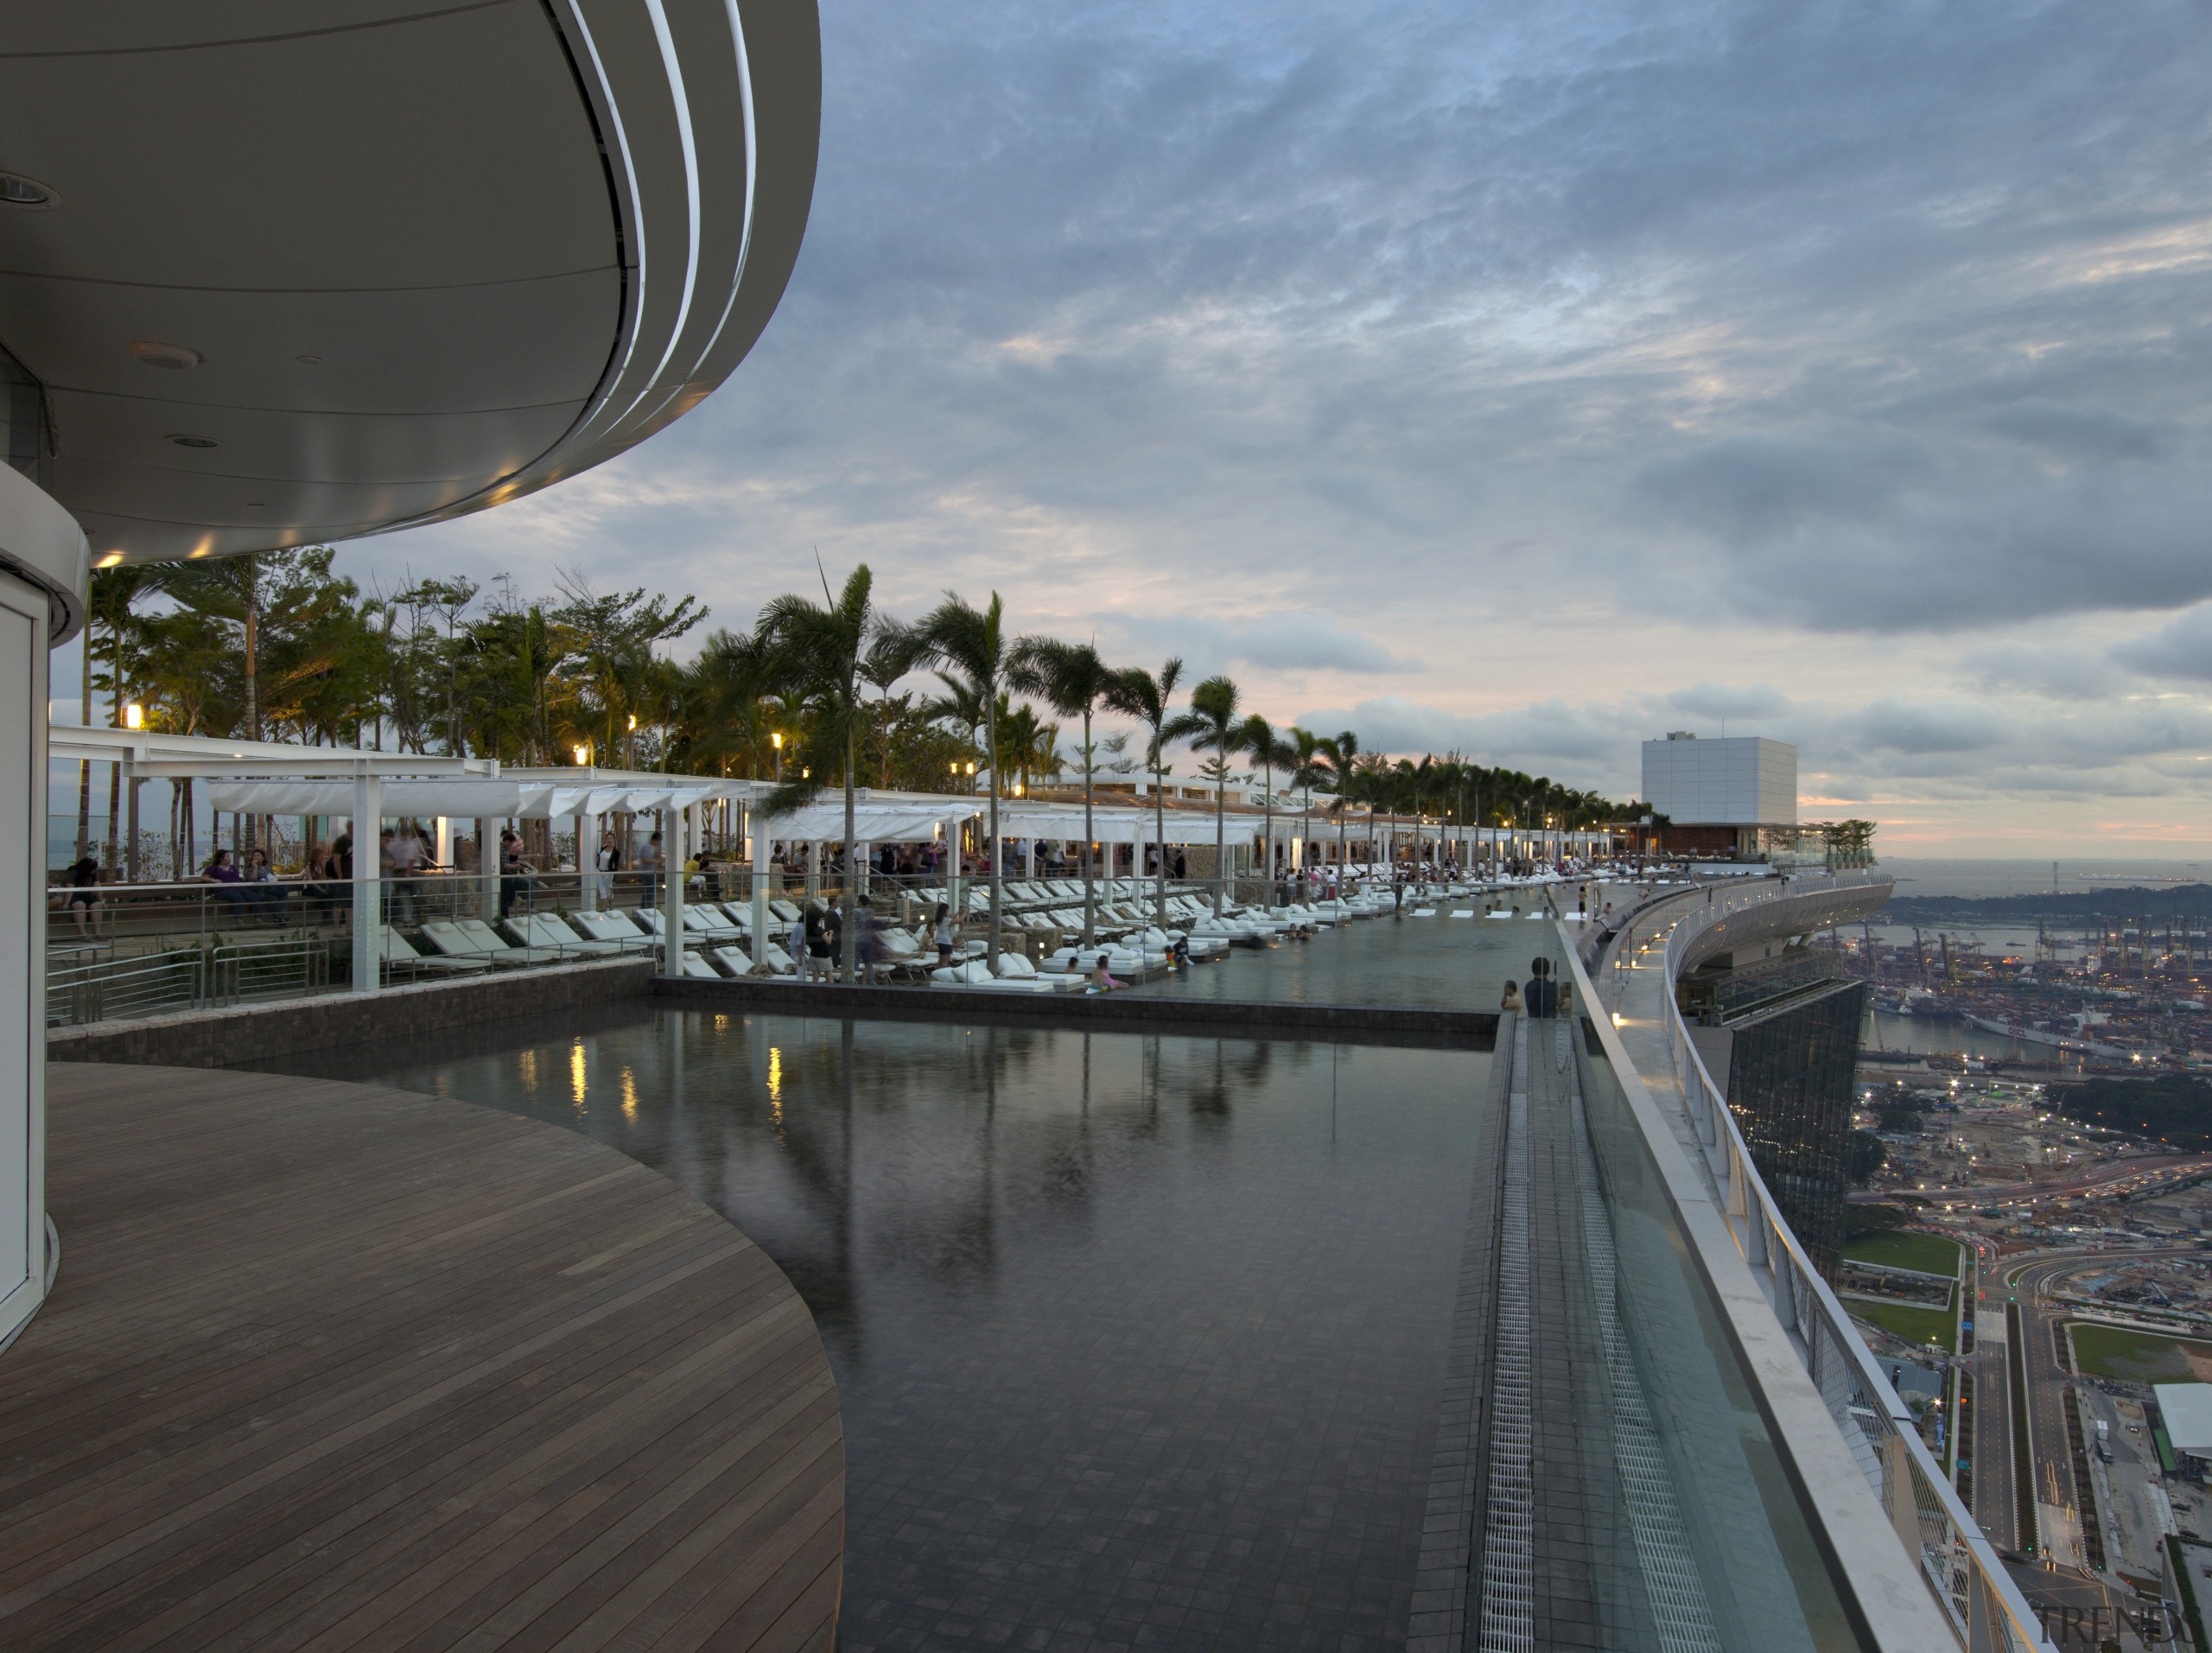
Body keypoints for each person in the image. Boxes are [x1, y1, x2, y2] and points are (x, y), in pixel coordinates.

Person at [61, 853, 102, 939]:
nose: (95, 871)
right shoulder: (73, 872)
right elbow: (70, 889)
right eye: (93, 869)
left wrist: (101, 901)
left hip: (87, 894)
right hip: (74, 895)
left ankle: (97, 932)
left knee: (97, 905)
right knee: (80, 905)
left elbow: (97, 886)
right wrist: (66, 903)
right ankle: (82, 933)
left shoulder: (94, 873)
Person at [200, 847, 246, 921]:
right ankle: (239, 919)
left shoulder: (232, 867)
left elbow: (235, 877)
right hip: (223, 890)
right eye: (227, 856)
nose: (229, 858)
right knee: (237, 897)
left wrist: (241, 878)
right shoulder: (213, 868)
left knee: (252, 896)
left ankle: (257, 918)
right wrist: (213, 880)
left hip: (237, 888)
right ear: (221, 858)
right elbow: (203, 878)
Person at [932, 901, 955, 970]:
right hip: (946, 942)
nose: (948, 911)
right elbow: (959, 920)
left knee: (940, 961)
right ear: (945, 911)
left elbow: (951, 919)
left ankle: (936, 976)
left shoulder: (940, 920)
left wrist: (959, 913)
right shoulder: (945, 920)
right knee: (945, 962)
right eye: (948, 910)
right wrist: (965, 913)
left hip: (940, 942)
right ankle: (941, 976)